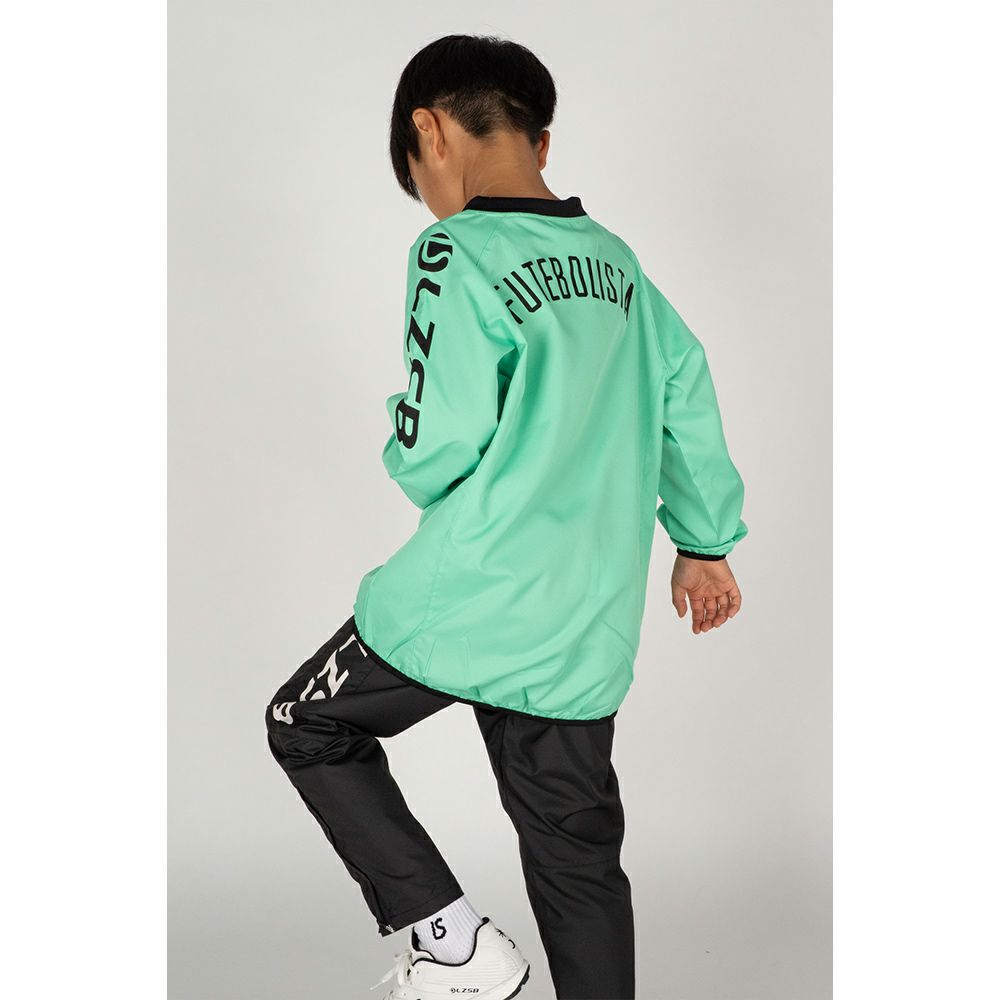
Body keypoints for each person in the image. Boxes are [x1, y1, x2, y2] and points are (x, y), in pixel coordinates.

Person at [265, 33, 748, 1000]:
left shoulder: (455, 249)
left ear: (429, 133)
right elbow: (685, 395)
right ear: (543, 140)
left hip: (475, 591)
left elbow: (436, 446)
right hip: (584, 619)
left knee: (306, 725)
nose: (426, 201)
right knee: (576, 854)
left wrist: (407, 448)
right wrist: (704, 544)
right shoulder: (615, 264)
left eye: (416, 177)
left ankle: (451, 945)